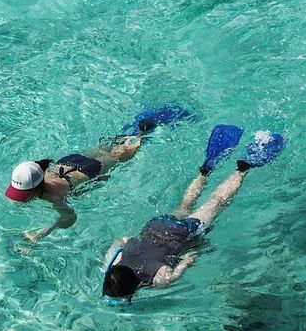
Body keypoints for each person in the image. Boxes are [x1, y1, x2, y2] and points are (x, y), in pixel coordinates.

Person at [101, 126, 285, 301]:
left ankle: (243, 168)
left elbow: (189, 259)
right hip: (157, 226)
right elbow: (123, 240)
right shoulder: (114, 260)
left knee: (216, 202)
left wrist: (199, 248)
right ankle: (205, 172)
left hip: (180, 234)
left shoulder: (159, 280)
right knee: (185, 205)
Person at [6, 105, 190, 244]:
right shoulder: (36, 171)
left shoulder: (54, 196)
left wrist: (44, 231)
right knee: (104, 149)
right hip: (69, 162)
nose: (21, 198)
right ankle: (133, 133)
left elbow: (70, 218)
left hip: (89, 170)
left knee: (119, 155)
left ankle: (144, 132)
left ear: (37, 189)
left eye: (24, 194)